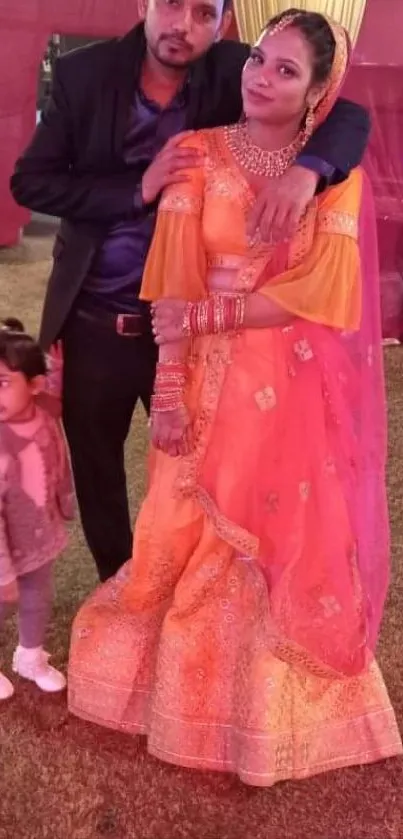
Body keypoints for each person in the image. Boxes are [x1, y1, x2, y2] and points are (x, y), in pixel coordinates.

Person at [68, 10, 402, 786]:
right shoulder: (200, 154)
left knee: (277, 534)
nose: (261, 76)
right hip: (205, 375)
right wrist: (172, 385)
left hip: (284, 386)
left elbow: (320, 291)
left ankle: (264, 714)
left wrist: (212, 310)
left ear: (318, 90)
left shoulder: (331, 174)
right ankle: (168, 691)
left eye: (287, 70)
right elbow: (173, 278)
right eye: (258, 59)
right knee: (175, 526)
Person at [10, 0, 371, 583]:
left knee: (193, 478)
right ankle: (121, 589)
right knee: (99, 471)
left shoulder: (238, 69)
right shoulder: (85, 74)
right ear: (144, 5)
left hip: (195, 330)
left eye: (203, 12)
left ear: (224, 21)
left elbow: (346, 112)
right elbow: (31, 181)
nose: (183, 25)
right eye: (172, 4)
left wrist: (310, 170)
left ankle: (182, 598)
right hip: (98, 315)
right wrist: (137, 188)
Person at [0, 320, 74, 700]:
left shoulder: (41, 411)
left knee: (37, 597)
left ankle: (29, 656)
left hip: (38, 535)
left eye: (2, 383)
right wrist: (3, 573)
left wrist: (55, 371)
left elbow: (55, 404)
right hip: (4, 551)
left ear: (33, 385)